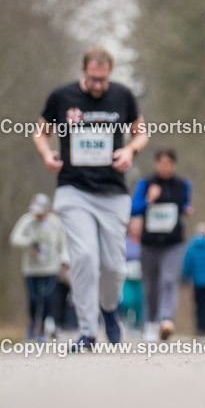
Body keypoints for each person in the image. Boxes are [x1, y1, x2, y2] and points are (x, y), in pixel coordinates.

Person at [33, 47, 147, 351]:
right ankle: (86, 331)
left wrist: (130, 150)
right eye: (92, 79)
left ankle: (109, 309)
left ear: (110, 73)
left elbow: (141, 132)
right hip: (74, 190)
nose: (98, 85)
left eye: (103, 79)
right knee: (83, 257)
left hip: (112, 192)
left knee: (113, 266)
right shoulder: (62, 97)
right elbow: (39, 132)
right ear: (83, 71)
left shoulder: (123, 96)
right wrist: (47, 154)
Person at [130, 147, 192, 341]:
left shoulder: (183, 184)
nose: (165, 167)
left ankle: (166, 320)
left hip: (173, 243)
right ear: (156, 164)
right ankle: (151, 322)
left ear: (174, 165)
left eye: (168, 163)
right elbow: (133, 209)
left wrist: (188, 209)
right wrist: (149, 199)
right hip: (149, 243)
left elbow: (184, 205)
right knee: (150, 285)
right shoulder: (145, 183)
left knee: (168, 280)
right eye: (161, 163)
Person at [9, 193, 69, 341]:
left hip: (50, 267)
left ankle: (42, 328)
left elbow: (63, 242)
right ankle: (32, 323)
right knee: (34, 299)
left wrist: (64, 259)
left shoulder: (55, 222)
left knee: (48, 298)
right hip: (31, 268)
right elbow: (15, 239)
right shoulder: (27, 220)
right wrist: (30, 242)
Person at [118, 217, 144, 332]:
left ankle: (137, 326)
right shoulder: (124, 242)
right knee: (128, 300)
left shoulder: (145, 242)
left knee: (140, 302)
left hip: (141, 277)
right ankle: (125, 320)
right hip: (127, 277)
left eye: (138, 225)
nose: (136, 228)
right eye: (134, 225)